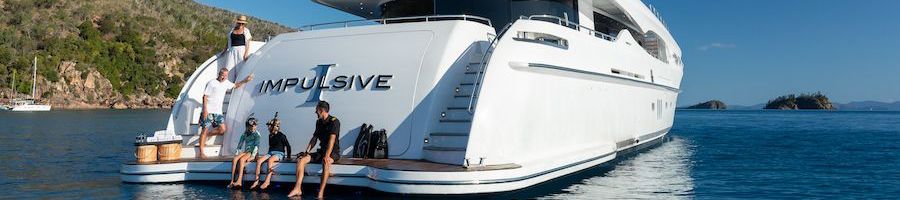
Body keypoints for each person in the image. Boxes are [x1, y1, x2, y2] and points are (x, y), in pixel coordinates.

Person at [288, 101, 341, 198]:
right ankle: (297, 188)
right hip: (321, 151)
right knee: (301, 160)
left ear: (322, 110)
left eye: (316, 110)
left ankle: (321, 192)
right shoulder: (319, 122)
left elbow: (332, 140)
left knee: (326, 162)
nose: (315, 112)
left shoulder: (334, 121)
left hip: (333, 152)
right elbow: (314, 138)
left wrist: (327, 156)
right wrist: (307, 151)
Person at [198, 67, 253, 158]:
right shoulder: (212, 83)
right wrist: (205, 110)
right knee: (204, 130)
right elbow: (205, 96)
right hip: (208, 111)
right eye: (222, 75)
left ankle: (209, 134)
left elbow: (236, 86)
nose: (224, 77)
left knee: (222, 129)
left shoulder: (226, 83)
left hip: (218, 112)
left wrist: (245, 80)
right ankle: (201, 152)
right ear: (219, 74)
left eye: (226, 76)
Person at [249, 113, 292, 190]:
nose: (268, 127)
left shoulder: (281, 135)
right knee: (259, 161)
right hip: (270, 153)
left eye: (269, 126)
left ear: (274, 127)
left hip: (279, 154)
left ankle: (267, 181)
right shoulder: (270, 136)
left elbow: (288, 146)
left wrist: (288, 157)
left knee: (270, 160)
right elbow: (271, 147)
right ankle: (256, 181)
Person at [229, 116, 260, 189]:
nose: (253, 128)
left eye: (254, 126)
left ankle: (239, 181)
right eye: (251, 126)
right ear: (247, 127)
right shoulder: (244, 134)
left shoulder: (257, 134)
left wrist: (253, 156)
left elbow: (256, 146)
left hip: (253, 152)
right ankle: (232, 180)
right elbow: (239, 145)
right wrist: (237, 153)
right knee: (235, 159)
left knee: (242, 160)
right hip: (247, 151)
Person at [222, 15, 252, 81]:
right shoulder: (232, 30)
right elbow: (228, 41)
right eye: (239, 23)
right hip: (232, 50)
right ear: (237, 22)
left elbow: (248, 43)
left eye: (242, 23)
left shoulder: (246, 31)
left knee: (240, 67)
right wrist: (224, 50)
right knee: (229, 67)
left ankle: (240, 83)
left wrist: (246, 54)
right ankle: (228, 84)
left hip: (241, 50)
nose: (241, 24)